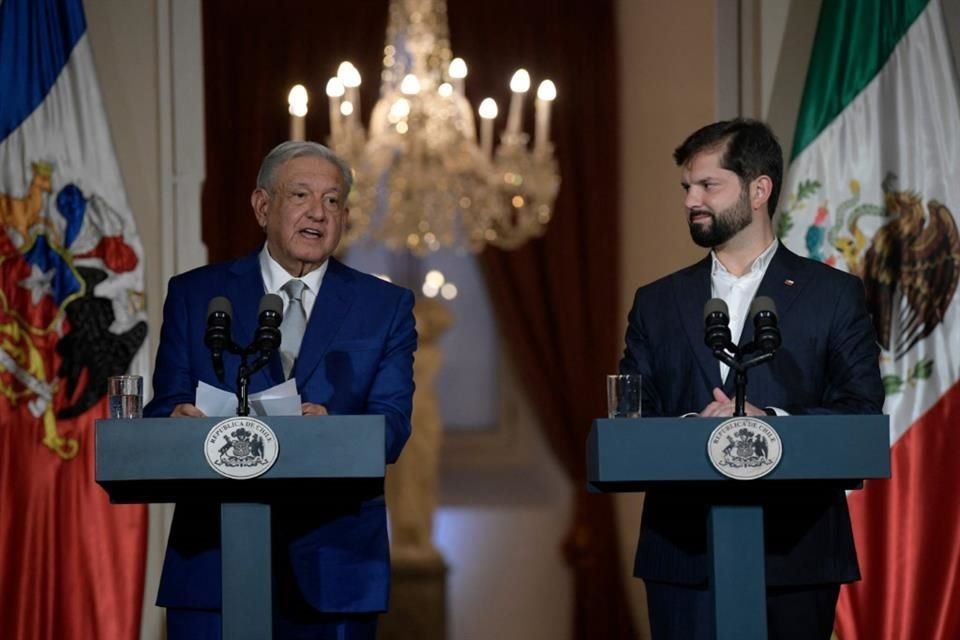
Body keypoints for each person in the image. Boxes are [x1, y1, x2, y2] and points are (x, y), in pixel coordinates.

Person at [619, 119, 884, 639]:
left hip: (797, 555)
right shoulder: (657, 302)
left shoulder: (833, 295)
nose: (691, 199)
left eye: (708, 185)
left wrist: (771, 423)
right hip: (683, 556)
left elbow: (861, 412)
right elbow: (634, 419)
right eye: (687, 187)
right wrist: (701, 428)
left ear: (759, 189)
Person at [144, 140, 417, 639]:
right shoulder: (198, 295)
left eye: (333, 201)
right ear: (262, 206)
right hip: (214, 565)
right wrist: (175, 421)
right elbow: (165, 405)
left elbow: (393, 425)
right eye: (301, 195)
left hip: (334, 570)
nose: (318, 212)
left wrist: (333, 435)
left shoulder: (386, 306)